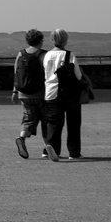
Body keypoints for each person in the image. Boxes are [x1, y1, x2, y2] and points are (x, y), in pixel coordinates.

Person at [42, 28, 86, 161]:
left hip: (51, 92)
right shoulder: (69, 55)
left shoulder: (47, 55)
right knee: (73, 122)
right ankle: (74, 152)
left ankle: (51, 148)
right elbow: (78, 76)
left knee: (54, 123)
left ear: (52, 40)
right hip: (69, 92)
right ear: (65, 40)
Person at [12, 28, 48, 159]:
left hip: (24, 93)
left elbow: (16, 74)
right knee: (46, 120)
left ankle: (21, 137)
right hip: (41, 93)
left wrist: (15, 91)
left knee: (28, 119)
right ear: (40, 40)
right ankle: (46, 148)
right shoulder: (44, 54)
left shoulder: (20, 54)